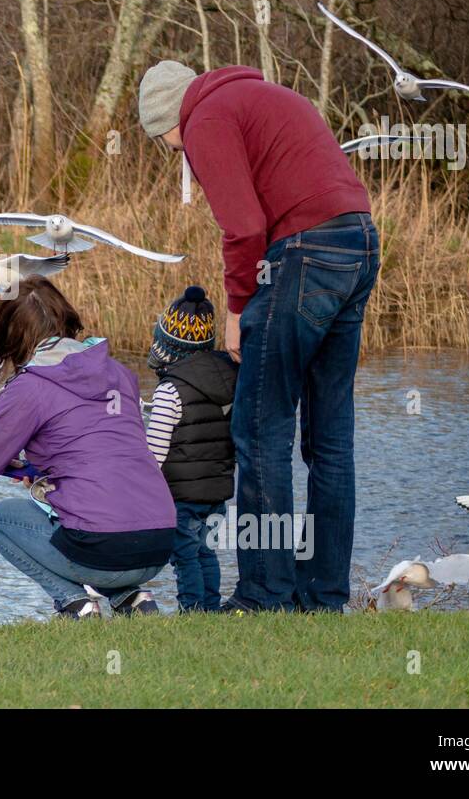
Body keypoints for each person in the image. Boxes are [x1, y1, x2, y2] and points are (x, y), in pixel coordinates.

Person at [138, 62, 380, 613]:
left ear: (167, 119)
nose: (177, 154)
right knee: (330, 439)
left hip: (303, 255)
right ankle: (321, 598)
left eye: (165, 143)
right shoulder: (263, 95)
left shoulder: (205, 119)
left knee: (259, 428)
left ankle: (263, 596)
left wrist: (236, 309)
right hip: (359, 241)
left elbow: (244, 227)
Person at [0, 278, 175, 619]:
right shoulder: (121, 374)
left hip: (104, 550)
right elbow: (106, 448)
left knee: (2, 518)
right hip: (159, 544)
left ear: (10, 336)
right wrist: (34, 467)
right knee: (99, 518)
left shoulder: (31, 387)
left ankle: (75, 603)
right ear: (67, 320)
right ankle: (133, 598)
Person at [145, 286, 238, 612]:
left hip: (181, 495)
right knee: (206, 551)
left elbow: (153, 454)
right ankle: (209, 609)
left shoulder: (170, 390)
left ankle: (192, 611)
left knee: (184, 556)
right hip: (217, 489)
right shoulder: (230, 379)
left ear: (168, 344)